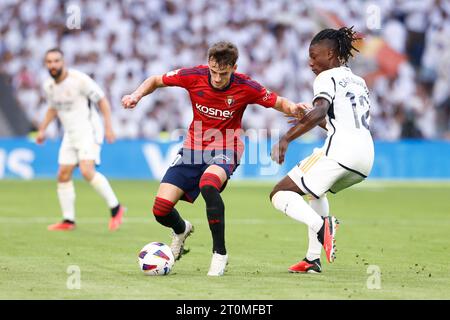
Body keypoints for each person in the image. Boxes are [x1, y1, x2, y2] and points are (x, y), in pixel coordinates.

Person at [122, 41, 304, 276]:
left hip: (227, 146)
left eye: (224, 73)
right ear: (209, 63)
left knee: (208, 184)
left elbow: (278, 101)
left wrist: (294, 109)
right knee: (161, 209)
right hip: (192, 148)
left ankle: (219, 253)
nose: (217, 78)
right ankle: (181, 229)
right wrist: (136, 95)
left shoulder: (246, 86)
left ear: (234, 68)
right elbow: (156, 80)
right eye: (214, 72)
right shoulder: (193, 75)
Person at [270, 27, 374, 273]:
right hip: (365, 157)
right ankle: (311, 259)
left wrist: (286, 138)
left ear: (330, 54)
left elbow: (320, 110)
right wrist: (313, 117)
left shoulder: (327, 77)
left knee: (279, 193)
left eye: (314, 55)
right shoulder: (358, 81)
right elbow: (336, 120)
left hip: (340, 152)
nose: (310, 62)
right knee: (316, 193)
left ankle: (321, 226)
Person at [37, 48, 126, 231]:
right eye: (49, 62)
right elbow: (53, 108)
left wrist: (109, 127)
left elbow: (102, 101)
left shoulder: (79, 80)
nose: (53, 65)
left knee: (86, 170)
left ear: (63, 62)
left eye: (56, 61)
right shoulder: (49, 86)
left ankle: (116, 208)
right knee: (63, 174)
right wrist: (42, 129)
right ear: (46, 64)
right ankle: (68, 220)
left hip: (89, 130)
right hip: (70, 134)